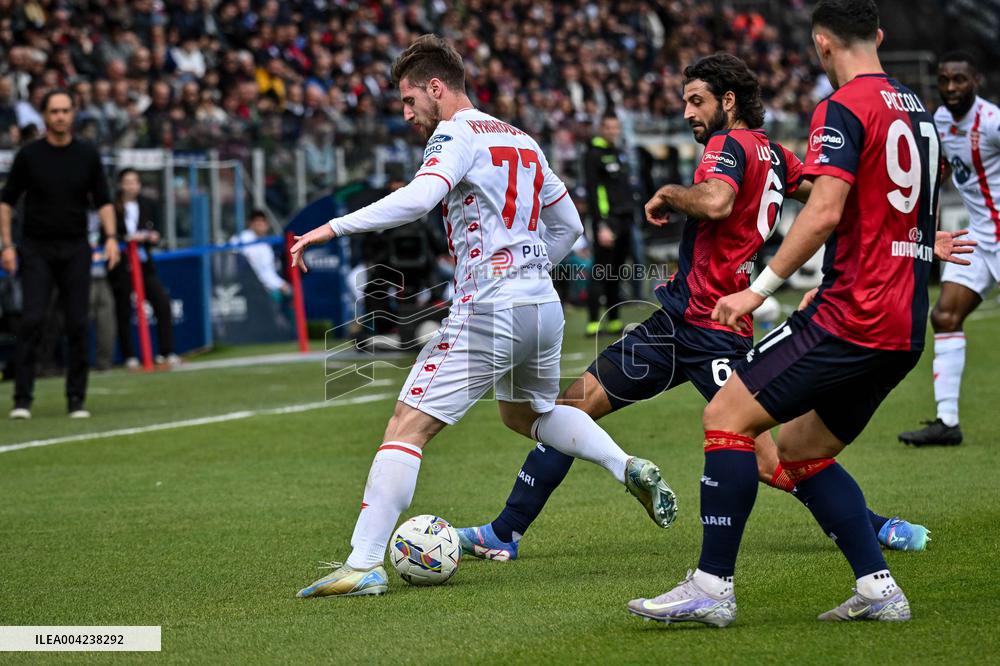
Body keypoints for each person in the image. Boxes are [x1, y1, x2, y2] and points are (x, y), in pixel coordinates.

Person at [456, 54, 926, 563]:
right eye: (684, 101)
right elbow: (828, 197)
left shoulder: (728, 145)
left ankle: (876, 526)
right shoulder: (773, 153)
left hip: (718, 331)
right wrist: (898, 225)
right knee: (573, 411)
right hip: (671, 324)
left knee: (772, 460)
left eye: (696, 100)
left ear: (729, 101)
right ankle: (506, 531)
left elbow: (716, 201)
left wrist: (670, 194)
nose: (686, 112)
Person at [288, 34, 676, 599]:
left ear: (436, 88)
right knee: (531, 414)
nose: (407, 113)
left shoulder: (455, 133)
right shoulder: (521, 138)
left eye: (408, 100)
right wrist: (531, 266)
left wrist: (333, 226)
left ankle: (364, 562)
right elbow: (570, 229)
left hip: (490, 306)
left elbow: (420, 199)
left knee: (406, 425)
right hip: (543, 305)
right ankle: (626, 467)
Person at [626, 0, 974, 627]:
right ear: (879, 36)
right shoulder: (918, 111)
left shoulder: (840, 107)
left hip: (849, 315)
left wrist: (759, 289)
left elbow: (824, 210)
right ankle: (877, 589)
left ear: (821, 45)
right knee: (801, 449)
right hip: (902, 326)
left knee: (726, 414)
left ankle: (711, 587)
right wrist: (927, 245)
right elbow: (906, 201)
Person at [898, 52, 1000, 447]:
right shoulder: (938, 120)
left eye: (959, 80)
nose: (952, 88)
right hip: (978, 236)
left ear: (976, 79)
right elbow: (938, 172)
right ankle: (947, 422)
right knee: (944, 316)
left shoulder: (991, 123)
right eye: (945, 81)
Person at [0, 89, 120, 419]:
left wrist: (111, 238)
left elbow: (104, 200)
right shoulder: (29, 155)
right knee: (33, 320)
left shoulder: (87, 154)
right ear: (44, 115)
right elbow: (6, 201)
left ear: (73, 113)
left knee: (78, 323)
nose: (60, 117)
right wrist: (7, 245)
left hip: (76, 246)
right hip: (36, 247)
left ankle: (76, 400)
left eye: (66, 111)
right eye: (54, 111)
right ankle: (22, 399)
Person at [108, 168, 178, 368]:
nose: (131, 186)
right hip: (122, 265)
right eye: (127, 182)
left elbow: (155, 230)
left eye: (135, 181)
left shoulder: (148, 204)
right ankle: (129, 356)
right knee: (123, 309)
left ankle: (166, 351)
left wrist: (152, 237)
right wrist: (125, 239)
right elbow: (107, 236)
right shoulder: (112, 207)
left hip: (144, 263)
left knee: (162, 304)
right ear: (121, 184)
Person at [584, 113, 635, 336]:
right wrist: (601, 224)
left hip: (625, 220)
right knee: (600, 272)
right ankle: (593, 322)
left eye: (616, 127)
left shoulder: (619, 153)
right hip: (607, 221)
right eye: (609, 127)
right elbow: (594, 193)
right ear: (601, 128)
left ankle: (614, 320)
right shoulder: (593, 155)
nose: (613, 131)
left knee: (615, 272)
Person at [233, 209, 290, 302]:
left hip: (260, 287)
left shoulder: (264, 245)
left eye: (263, 222)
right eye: (258, 221)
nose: (261, 225)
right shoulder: (243, 239)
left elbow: (267, 271)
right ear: (251, 224)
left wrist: (280, 284)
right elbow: (259, 271)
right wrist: (280, 285)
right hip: (249, 287)